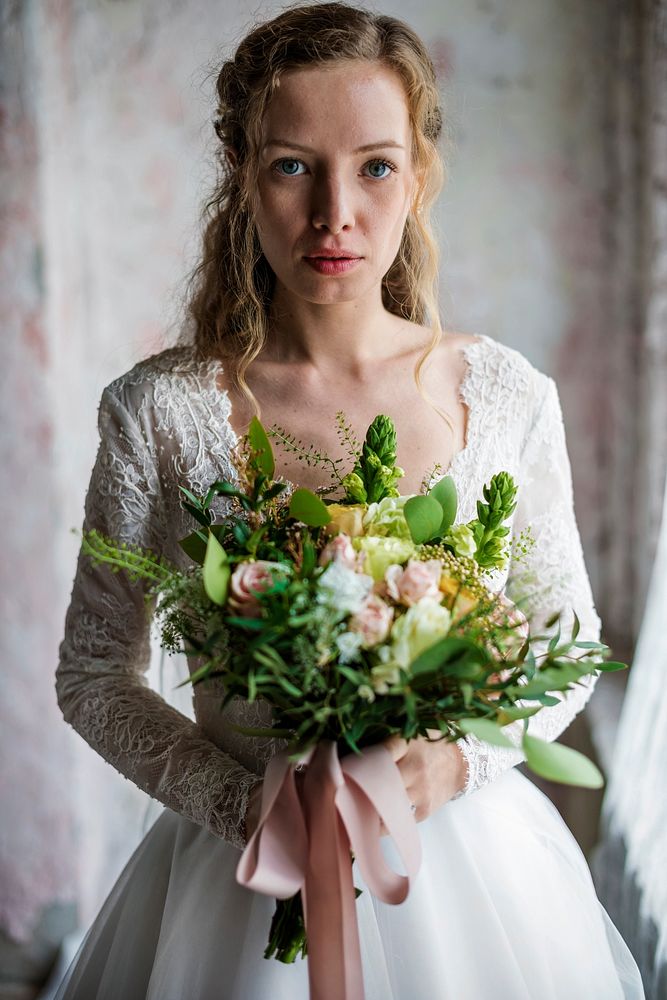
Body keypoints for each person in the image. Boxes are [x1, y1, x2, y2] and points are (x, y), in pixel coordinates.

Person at [54, 4, 645, 997]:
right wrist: (249, 806)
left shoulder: (503, 399)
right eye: (293, 165)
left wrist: (452, 765)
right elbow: (91, 674)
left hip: (467, 867)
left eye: (374, 166)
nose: (336, 213)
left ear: (418, 178)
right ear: (242, 173)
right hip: (244, 875)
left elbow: (562, 633)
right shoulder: (159, 413)